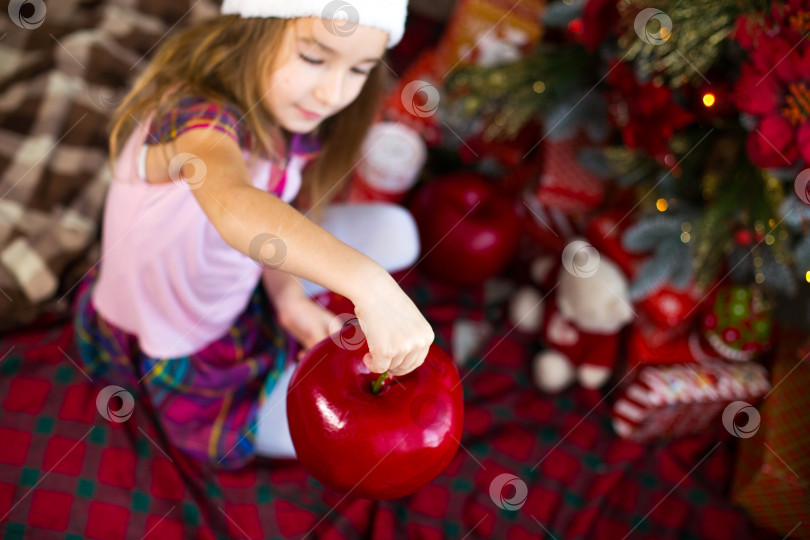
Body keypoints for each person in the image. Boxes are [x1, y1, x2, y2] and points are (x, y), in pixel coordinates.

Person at [73, 0, 434, 470]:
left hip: (243, 277)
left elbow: (272, 217)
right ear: (255, 28)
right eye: (313, 57)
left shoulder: (286, 115)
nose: (331, 93)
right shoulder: (193, 122)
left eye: (359, 69)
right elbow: (237, 205)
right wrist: (369, 286)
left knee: (400, 232)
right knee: (303, 438)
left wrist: (288, 301)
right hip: (184, 336)